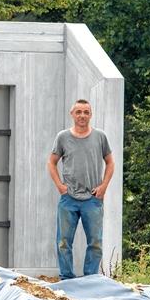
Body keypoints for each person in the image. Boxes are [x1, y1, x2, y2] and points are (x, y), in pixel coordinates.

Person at [47, 99, 114, 279]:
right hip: (68, 199)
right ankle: (67, 279)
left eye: (86, 112)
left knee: (95, 243)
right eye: (78, 112)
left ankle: (90, 279)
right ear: (72, 114)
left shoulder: (100, 137)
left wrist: (104, 187)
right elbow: (51, 163)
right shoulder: (62, 137)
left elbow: (110, 163)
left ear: (90, 115)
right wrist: (60, 186)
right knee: (63, 242)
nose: (82, 115)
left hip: (93, 199)